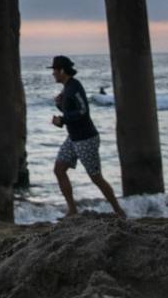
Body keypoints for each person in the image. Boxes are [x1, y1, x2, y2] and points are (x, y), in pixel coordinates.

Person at [49, 55, 125, 218]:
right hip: (73, 138)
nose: (53, 73)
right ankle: (72, 210)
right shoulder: (67, 87)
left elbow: (83, 111)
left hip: (86, 139)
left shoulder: (74, 87)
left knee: (96, 178)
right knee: (59, 169)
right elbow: (72, 112)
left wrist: (62, 120)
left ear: (62, 70)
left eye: (54, 70)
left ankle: (118, 211)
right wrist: (60, 105)